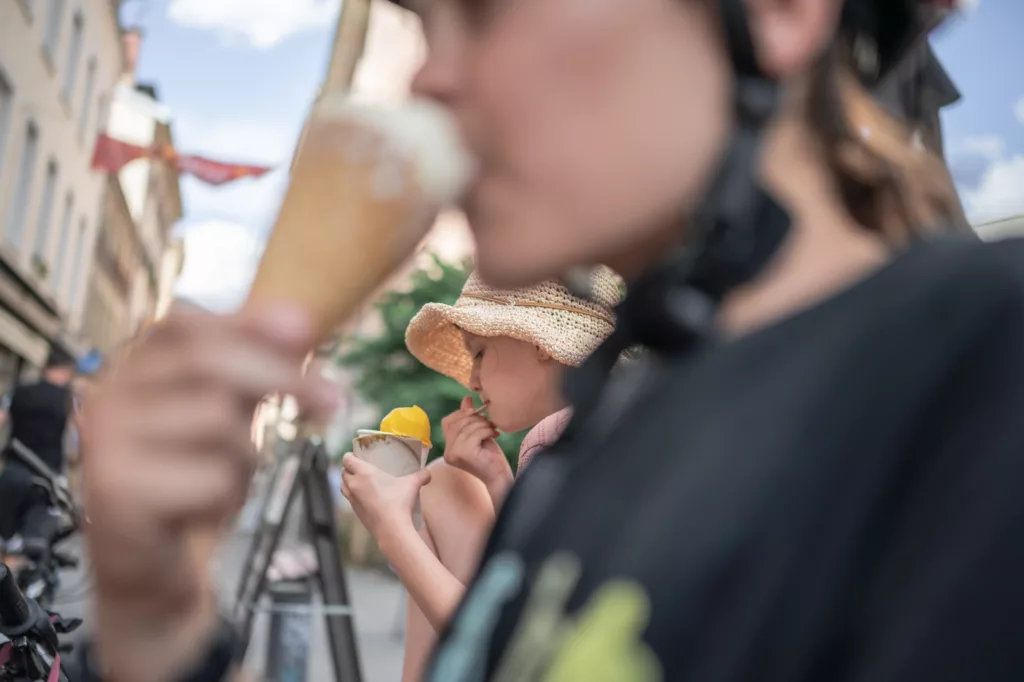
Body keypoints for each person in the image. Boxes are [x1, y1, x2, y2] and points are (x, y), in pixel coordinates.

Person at [73, 0, 1019, 681]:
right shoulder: (603, 437)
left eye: (482, 11)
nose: (427, 77)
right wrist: (161, 622)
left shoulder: (981, 375)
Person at [340, 269, 619, 681]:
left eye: (480, 352)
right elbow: (546, 576)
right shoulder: (620, 416)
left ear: (539, 343)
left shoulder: (557, 434)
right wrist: (498, 480)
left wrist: (392, 530)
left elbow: (508, 642)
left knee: (442, 484)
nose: (471, 379)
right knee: (449, 481)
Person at [0, 347, 77, 564]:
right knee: (33, 547)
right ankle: (22, 592)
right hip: (46, 480)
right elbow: (79, 439)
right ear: (67, 371)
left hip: (12, 473)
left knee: (5, 544)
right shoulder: (69, 400)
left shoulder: (17, 390)